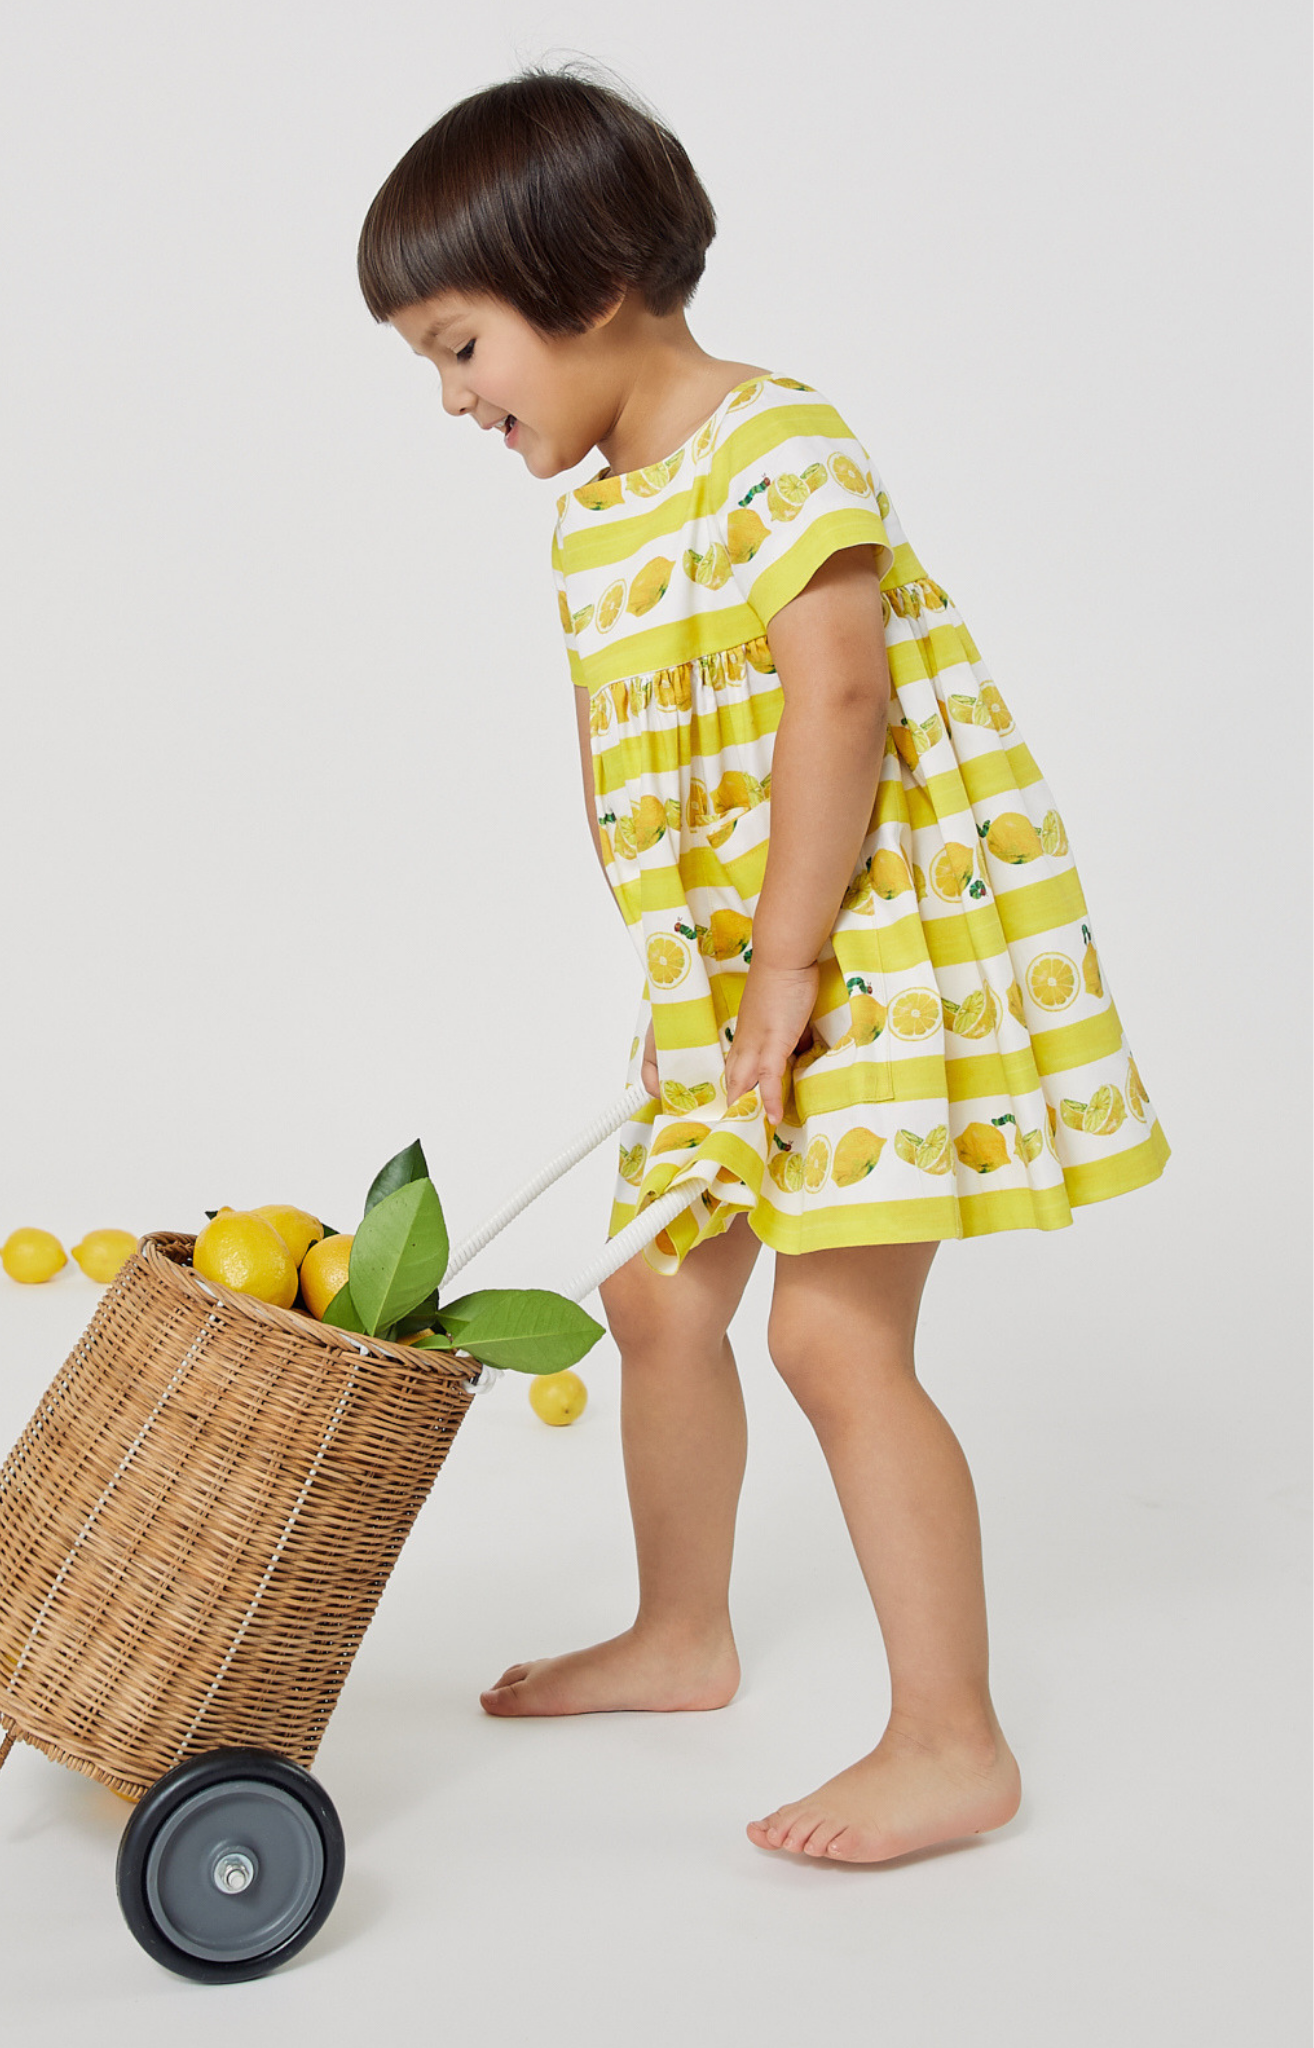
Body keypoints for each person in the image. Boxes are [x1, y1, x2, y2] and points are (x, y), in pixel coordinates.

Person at [358, 64, 1169, 1863]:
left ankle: (953, 1741)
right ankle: (681, 1632)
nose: (449, 395)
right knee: (657, 1297)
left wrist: (793, 965)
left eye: (461, 344)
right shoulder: (590, 517)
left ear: (592, 281)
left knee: (832, 1337)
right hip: (730, 979)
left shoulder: (775, 445)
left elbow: (841, 694)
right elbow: (618, 760)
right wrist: (685, 988)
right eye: (427, 357)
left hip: (867, 945)